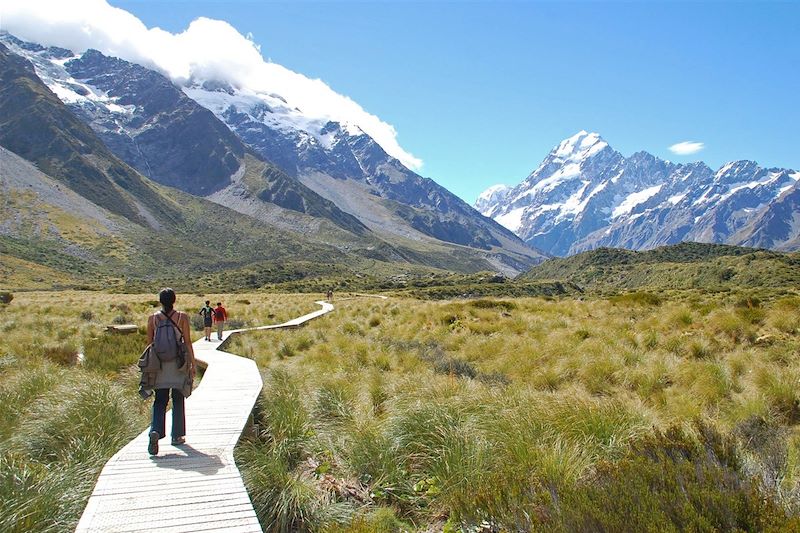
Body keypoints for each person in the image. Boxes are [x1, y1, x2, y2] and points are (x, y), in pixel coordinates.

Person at [147, 288, 195, 455]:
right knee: (178, 399)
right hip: (178, 365)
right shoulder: (182, 317)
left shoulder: (153, 319)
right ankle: (177, 436)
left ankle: (156, 431)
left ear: (160, 301)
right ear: (174, 300)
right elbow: (187, 342)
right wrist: (193, 363)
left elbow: (149, 344)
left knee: (160, 400)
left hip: (160, 366)